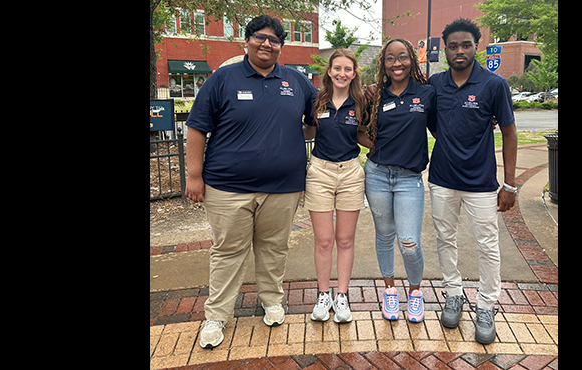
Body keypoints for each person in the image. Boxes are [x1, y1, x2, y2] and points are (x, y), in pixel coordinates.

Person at [183, 15, 318, 349]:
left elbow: (320, 118)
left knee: (274, 248)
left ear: (281, 47)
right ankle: (217, 315)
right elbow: (197, 128)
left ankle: (271, 299)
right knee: (228, 251)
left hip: (284, 187)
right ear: (246, 41)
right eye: (260, 37)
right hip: (227, 187)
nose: (266, 44)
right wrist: (194, 176)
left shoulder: (297, 82)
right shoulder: (222, 80)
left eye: (274, 40)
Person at [427, 18, 518, 345]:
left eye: (466, 44)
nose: (460, 51)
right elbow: (432, 124)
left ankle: (486, 304)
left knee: (487, 244)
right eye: (453, 46)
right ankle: (454, 292)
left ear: (476, 46)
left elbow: (509, 132)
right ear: (446, 49)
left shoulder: (494, 85)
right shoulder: (436, 84)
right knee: (445, 237)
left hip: (481, 183)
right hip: (441, 180)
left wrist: (509, 185)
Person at [358, 38, 437, 323]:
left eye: (402, 57)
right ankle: (390, 291)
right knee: (384, 236)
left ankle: (415, 293)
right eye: (390, 58)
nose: (397, 63)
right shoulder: (375, 95)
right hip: (377, 175)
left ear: (411, 60)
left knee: (409, 242)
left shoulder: (427, 94)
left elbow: (443, 129)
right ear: (383, 64)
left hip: (409, 180)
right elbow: (359, 132)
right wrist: (377, 148)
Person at [303, 48, 368, 323]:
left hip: (351, 173)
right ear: (329, 71)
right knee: (324, 240)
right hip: (320, 172)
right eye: (337, 68)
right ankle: (323, 294)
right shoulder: (316, 102)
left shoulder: (362, 102)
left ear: (354, 74)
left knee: (344, 240)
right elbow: (307, 130)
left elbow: (366, 135)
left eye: (348, 69)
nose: (342, 73)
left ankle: (341, 296)